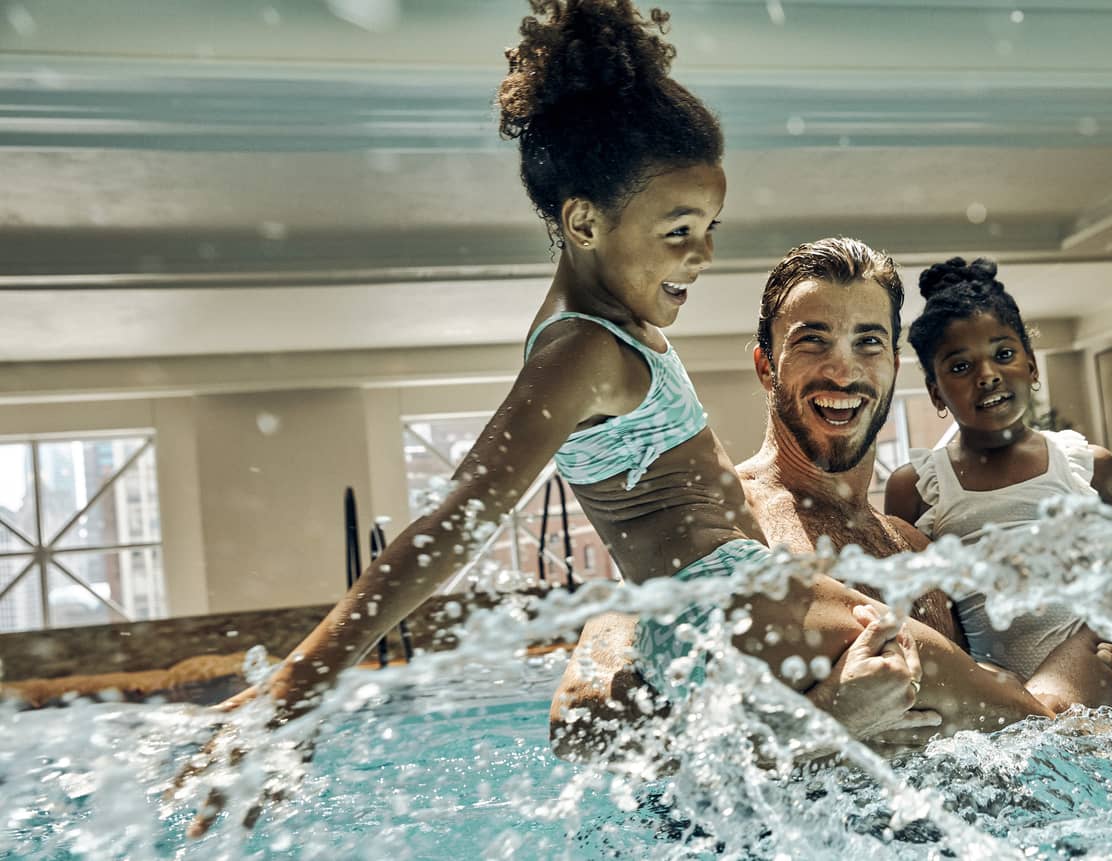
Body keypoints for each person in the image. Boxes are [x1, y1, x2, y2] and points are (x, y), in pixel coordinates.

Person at [181, 3, 1048, 836]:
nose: (703, 254)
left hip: (715, 609)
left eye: (710, 226)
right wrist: (300, 682)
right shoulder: (581, 352)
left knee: (920, 690)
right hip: (725, 596)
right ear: (585, 222)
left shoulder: (608, 336)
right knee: (932, 669)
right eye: (679, 230)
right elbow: (453, 524)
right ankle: (1080, 737)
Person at [551, 239, 1112, 758]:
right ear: (765, 366)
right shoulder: (722, 514)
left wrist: (1098, 669)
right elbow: (583, 718)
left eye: (868, 342)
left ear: (893, 365)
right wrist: (823, 723)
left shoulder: (917, 547)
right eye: (812, 342)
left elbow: (1007, 718)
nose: (842, 370)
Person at [885, 257, 1112, 711]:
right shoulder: (919, 488)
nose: (987, 375)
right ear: (936, 391)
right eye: (960, 367)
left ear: (1032, 366)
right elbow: (926, 622)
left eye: (1003, 355)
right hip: (1011, 717)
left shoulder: (1089, 467)